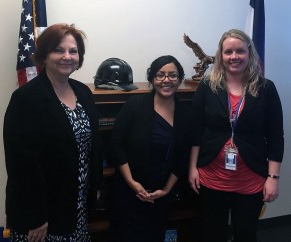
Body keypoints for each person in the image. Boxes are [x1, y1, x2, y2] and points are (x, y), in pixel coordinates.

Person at [3, 23, 102, 242]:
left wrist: (94, 186)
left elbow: (93, 148)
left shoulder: (83, 92)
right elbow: (21, 165)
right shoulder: (26, 99)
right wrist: (36, 217)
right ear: (44, 55)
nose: (67, 56)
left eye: (73, 51)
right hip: (42, 214)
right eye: (59, 50)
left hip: (76, 205)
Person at [188, 29, 284, 242]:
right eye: (228, 51)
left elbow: (276, 136)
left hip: (251, 178)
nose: (234, 57)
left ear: (249, 53)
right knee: (213, 232)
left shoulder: (266, 88)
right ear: (220, 55)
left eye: (240, 51)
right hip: (211, 176)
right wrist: (192, 167)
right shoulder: (207, 86)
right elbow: (196, 130)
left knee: (246, 233)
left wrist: (273, 178)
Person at [108, 55, 193, 242]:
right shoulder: (135, 106)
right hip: (129, 193)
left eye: (172, 75)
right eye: (160, 75)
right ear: (152, 79)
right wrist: (133, 184)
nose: (166, 80)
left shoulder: (186, 114)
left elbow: (182, 157)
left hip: (160, 196)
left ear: (179, 79)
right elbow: (117, 144)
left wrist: (166, 191)